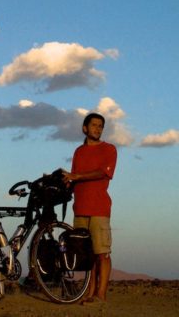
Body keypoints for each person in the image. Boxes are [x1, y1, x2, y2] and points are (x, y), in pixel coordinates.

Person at [62, 112, 117, 305]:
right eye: (94, 125)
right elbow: (74, 176)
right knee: (87, 255)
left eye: (101, 126)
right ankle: (89, 292)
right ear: (85, 128)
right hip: (80, 208)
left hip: (99, 208)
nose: (98, 129)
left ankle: (100, 295)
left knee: (102, 253)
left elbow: (103, 173)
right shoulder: (78, 151)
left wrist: (75, 176)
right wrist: (66, 180)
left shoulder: (109, 149)